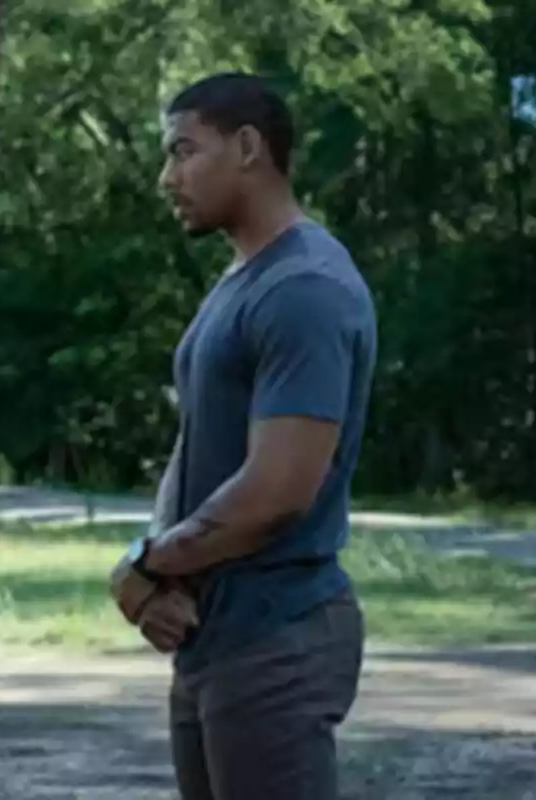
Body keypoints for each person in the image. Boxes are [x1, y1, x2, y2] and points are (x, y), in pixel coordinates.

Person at [108, 73, 378, 799]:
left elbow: (277, 491)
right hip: (216, 637)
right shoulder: (244, 280)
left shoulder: (305, 289)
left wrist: (147, 563)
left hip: (277, 637)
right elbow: (196, 443)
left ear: (249, 147)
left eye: (184, 151)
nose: (169, 176)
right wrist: (157, 575)